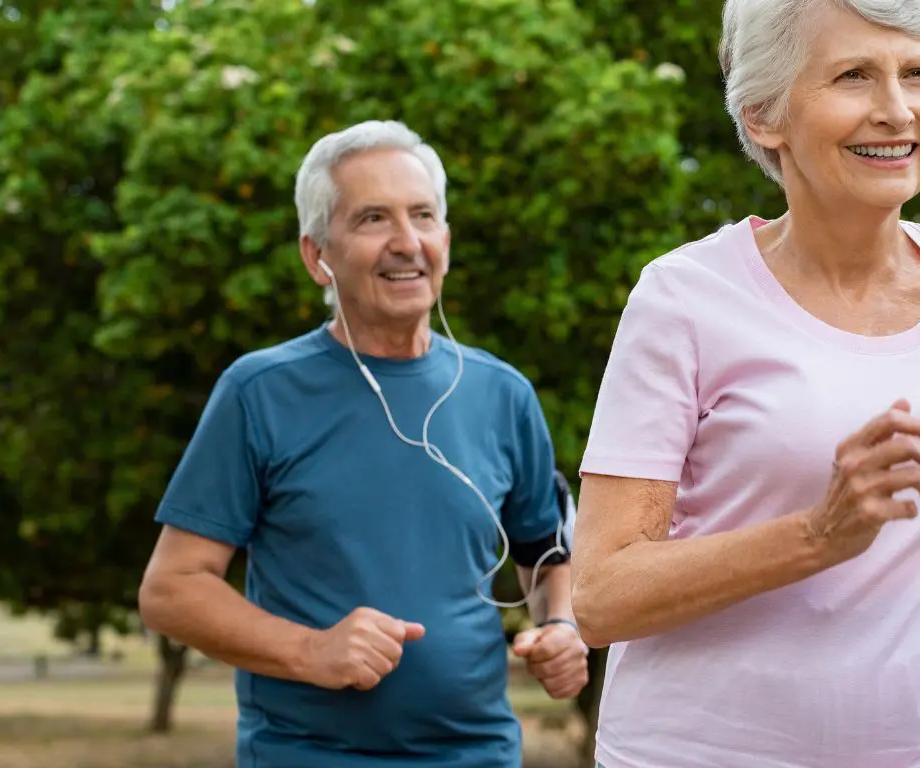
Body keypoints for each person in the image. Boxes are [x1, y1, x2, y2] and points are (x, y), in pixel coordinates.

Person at [570, 1, 920, 767]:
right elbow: (601, 597)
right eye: (854, 75)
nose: (896, 111)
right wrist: (817, 536)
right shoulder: (682, 298)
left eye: (918, 74)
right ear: (762, 116)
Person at [138, 119, 588, 768]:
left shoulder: (503, 392)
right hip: (309, 754)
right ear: (316, 255)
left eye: (423, 216)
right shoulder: (259, 392)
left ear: (446, 240)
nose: (407, 242)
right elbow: (171, 589)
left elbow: (542, 550)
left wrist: (560, 627)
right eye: (373, 219)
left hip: (481, 753)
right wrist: (310, 651)